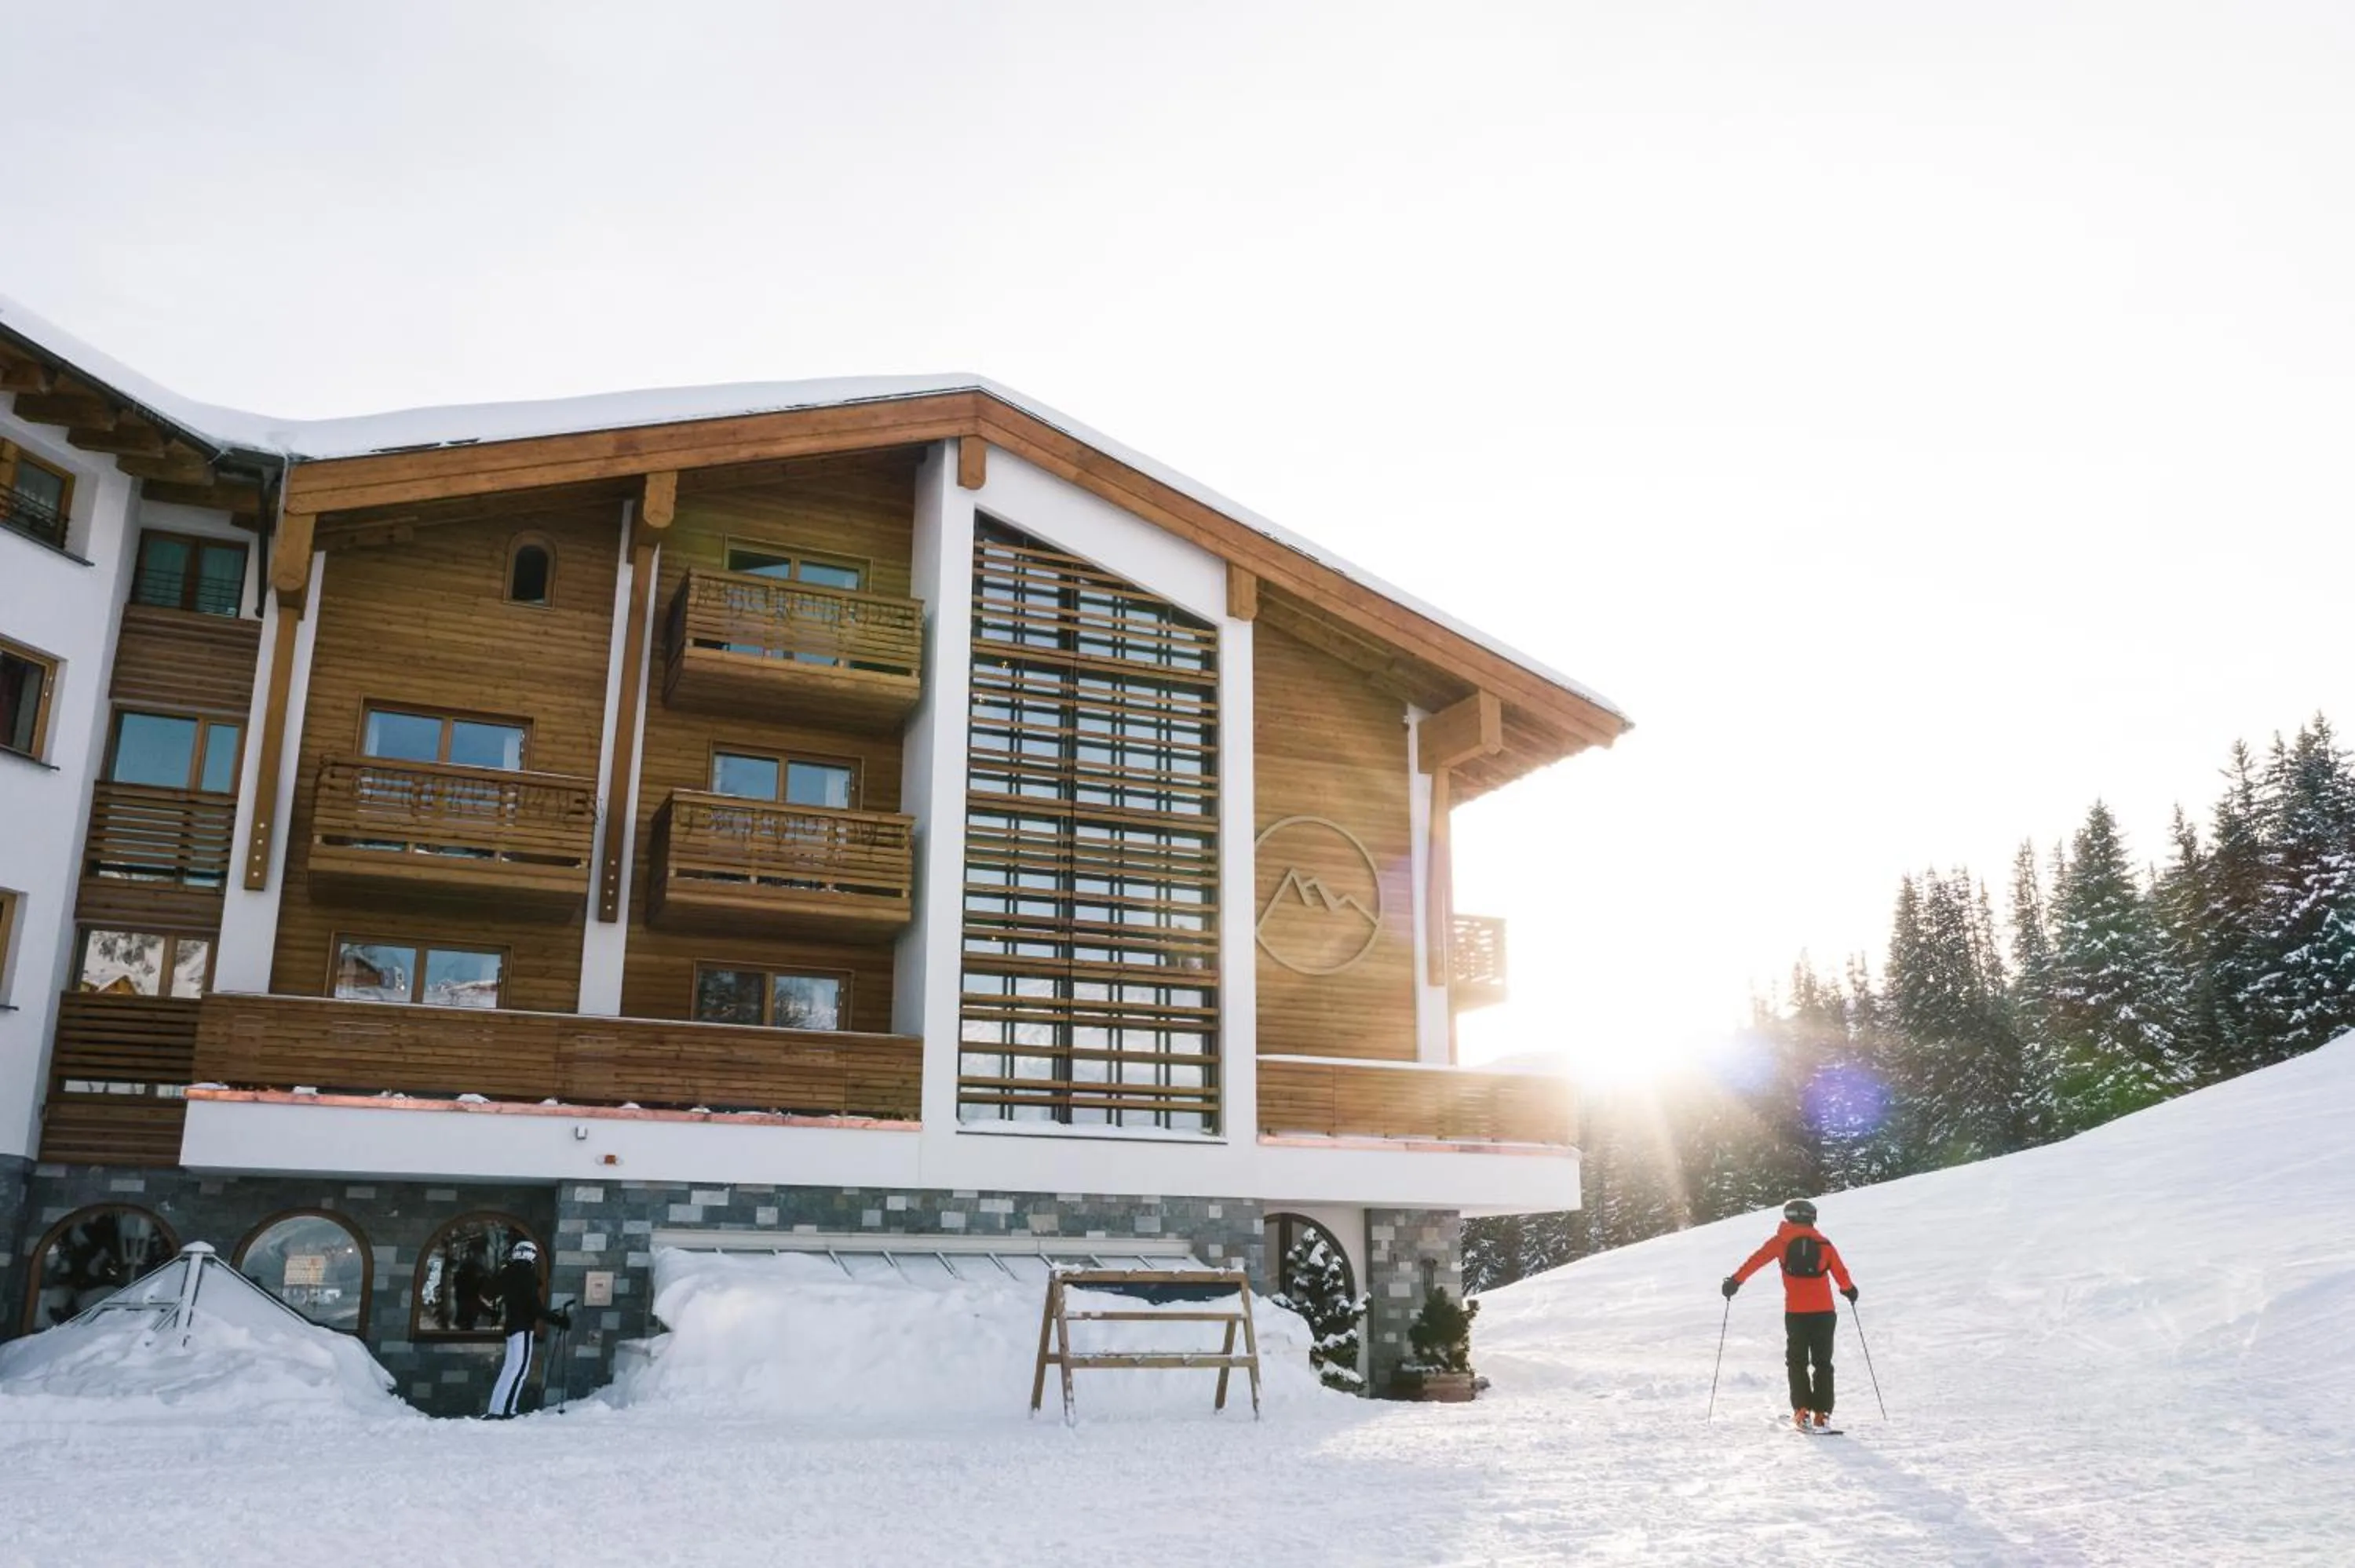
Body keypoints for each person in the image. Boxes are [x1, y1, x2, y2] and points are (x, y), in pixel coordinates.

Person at [1721, 1198, 1859, 1431]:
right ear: (1811, 1218)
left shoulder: (1780, 1242)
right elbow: (1841, 1273)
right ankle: (1822, 1415)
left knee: (1797, 1362)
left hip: (1796, 1313)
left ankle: (1802, 1411)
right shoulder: (1824, 1244)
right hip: (1825, 1312)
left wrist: (1735, 1282)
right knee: (1823, 1363)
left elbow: (1755, 1261)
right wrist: (1849, 1291)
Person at [484, 1238, 571, 1420]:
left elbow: (489, 1292)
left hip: (511, 1327)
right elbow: (534, 1308)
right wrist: (558, 1320)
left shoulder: (508, 1273)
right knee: (519, 1370)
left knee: (509, 1369)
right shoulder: (528, 1277)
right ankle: (507, 1411)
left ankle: (496, 1409)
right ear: (532, 1256)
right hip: (523, 1327)